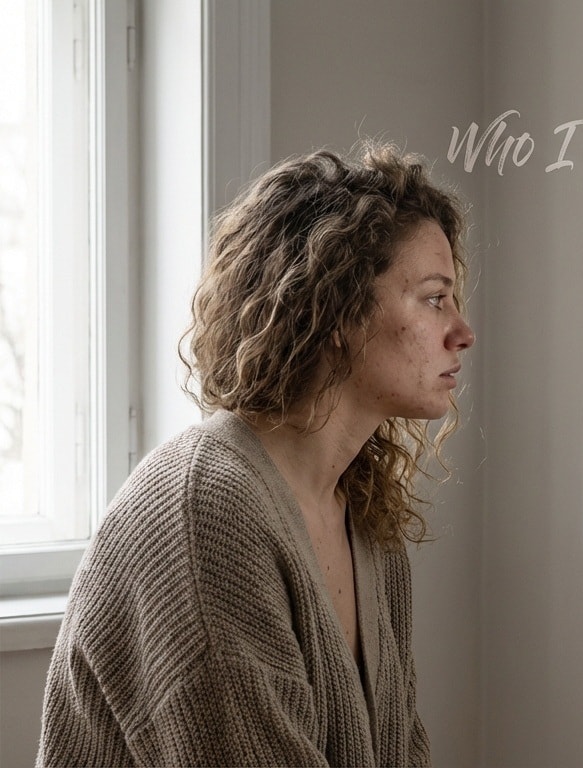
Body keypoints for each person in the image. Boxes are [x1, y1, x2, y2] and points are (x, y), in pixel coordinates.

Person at [38, 143, 475, 766]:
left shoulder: (367, 519)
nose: (462, 331)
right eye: (435, 298)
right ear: (336, 308)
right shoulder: (204, 512)